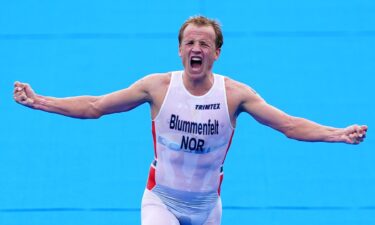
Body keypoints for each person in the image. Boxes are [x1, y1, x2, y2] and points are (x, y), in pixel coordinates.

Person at [13, 15, 367, 225]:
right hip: (160, 199)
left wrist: (337, 134)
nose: (196, 48)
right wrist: (41, 101)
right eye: (190, 42)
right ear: (180, 50)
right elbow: (96, 106)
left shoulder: (235, 95)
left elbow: (288, 125)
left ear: (217, 52)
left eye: (204, 43)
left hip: (207, 207)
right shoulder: (157, 87)